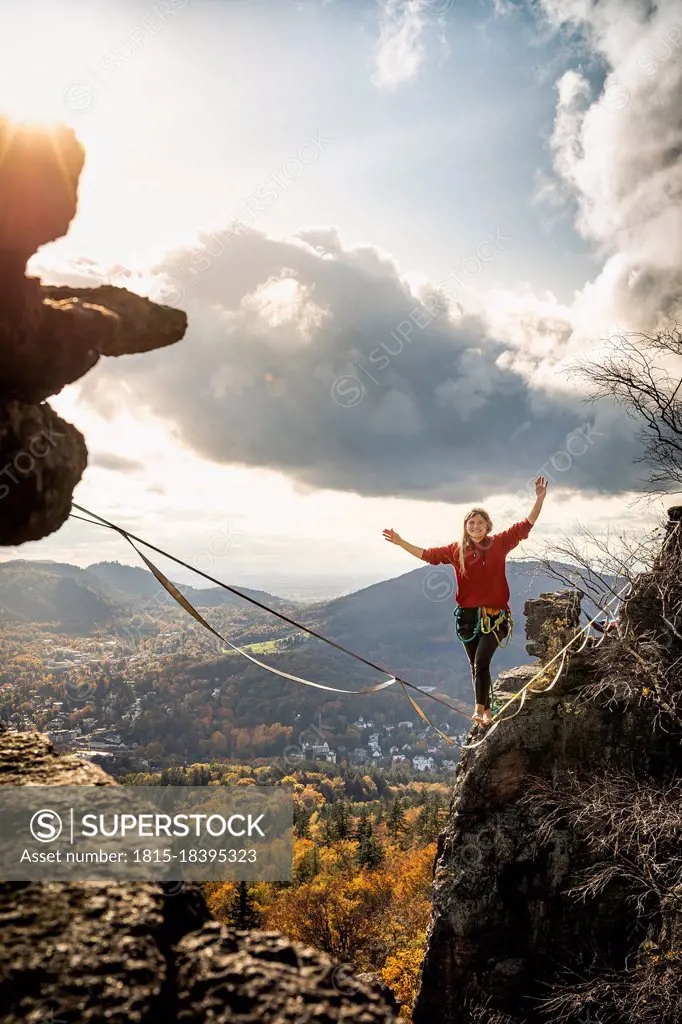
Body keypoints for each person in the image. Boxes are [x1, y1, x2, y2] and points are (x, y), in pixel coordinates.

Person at [383, 477, 547, 727]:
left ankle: (478, 709)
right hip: (468, 618)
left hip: (495, 617)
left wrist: (539, 499)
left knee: (481, 661)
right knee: (476, 666)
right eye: (472, 523)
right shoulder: (455, 549)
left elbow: (526, 525)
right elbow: (427, 555)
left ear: (488, 526)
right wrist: (401, 542)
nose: (476, 526)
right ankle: (488, 713)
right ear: (465, 526)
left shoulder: (499, 543)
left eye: (480, 523)